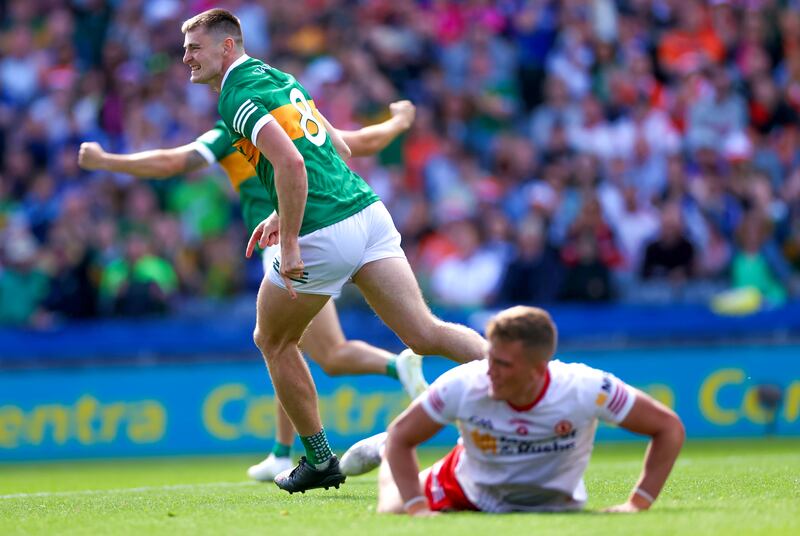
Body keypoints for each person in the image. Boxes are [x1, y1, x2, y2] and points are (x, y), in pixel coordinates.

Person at [180, 9, 487, 493]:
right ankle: (530, 384)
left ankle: (319, 459)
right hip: (367, 212)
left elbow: (293, 165)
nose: (185, 58)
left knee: (273, 340)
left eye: (194, 48)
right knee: (426, 332)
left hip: (323, 231)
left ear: (226, 47)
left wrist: (290, 240)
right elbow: (337, 147)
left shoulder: (237, 95)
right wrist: (395, 123)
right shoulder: (281, 79)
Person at [78, 101, 427, 481]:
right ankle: (292, 444)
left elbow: (173, 163)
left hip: (287, 241)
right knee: (315, 351)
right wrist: (399, 122)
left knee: (282, 343)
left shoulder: (230, 130)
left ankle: (296, 449)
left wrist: (106, 161)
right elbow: (360, 141)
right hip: (334, 231)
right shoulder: (292, 122)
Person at [341, 306, 684, 515]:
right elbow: (404, 435)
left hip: (555, 503)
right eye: (490, 358)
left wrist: (638, 503)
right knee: (393, 507)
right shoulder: (464, 383)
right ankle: (382, 452)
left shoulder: (587, 387)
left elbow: (668, 427)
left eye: (503, 364)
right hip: (467, 486)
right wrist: (416, 509)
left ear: (539, 369)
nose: (490, 370)